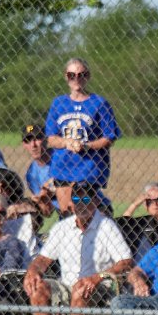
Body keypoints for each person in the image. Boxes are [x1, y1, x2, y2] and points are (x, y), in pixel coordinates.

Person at [22, 188, 133, 315]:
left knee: (80, 289)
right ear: (71, 203)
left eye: (87, 199)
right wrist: (33, 271)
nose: (81, 203)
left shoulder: (107, 226)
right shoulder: (62, 227)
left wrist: (97, 277)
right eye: (76, 199)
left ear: (96, 201)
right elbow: (43, 259)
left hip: (100, 287)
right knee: (38, 287)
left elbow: (125, 261)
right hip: (66, 286)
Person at [44, 57, 120, 215]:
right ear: (66, 77)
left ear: (88, 76)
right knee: (67, 213)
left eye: (81, 74)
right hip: (63, 168)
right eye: (71, 75)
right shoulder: (58, 103)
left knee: (86, 213)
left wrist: (86, 146)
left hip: (88, 169)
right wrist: (67, 142)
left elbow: (109, 137)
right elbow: (51, 138)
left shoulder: (99, 103)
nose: (76, 79)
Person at [120, 182, 158, 261]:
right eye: (149, 201)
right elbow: (123, 222)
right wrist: (135, 204)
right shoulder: (141, 222)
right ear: (145, 205)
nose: (155, 203)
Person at [20, 123, 54, 208]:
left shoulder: (60, 157)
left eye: (37, 138)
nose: (33, 145)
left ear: (46, 139)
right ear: (24, 145)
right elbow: (47, 210)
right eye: (28, 141)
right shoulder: (31, 174)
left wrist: (51, 185)